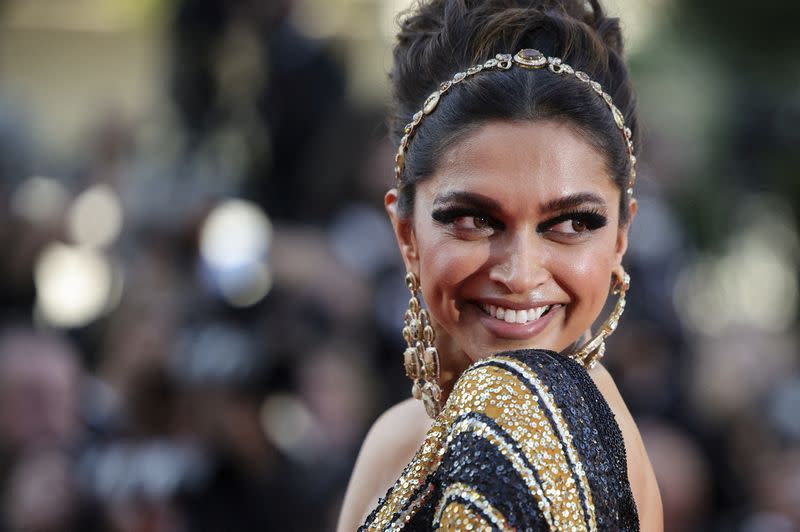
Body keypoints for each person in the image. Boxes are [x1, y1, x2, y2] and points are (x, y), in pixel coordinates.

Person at [338, 0, 662, 529]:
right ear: (407, 234)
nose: (520, 274)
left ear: (621, 236)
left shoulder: (541, 425)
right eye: (473, 219)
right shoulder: (400, 435)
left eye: (573, 223)